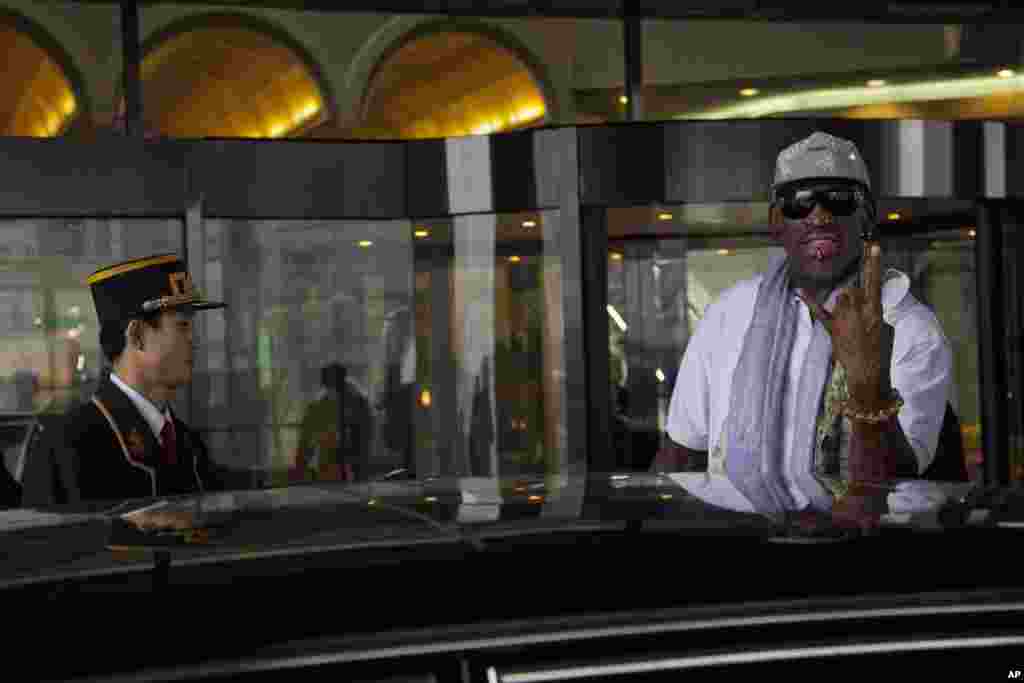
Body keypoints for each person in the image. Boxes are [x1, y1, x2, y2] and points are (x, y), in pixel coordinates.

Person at [653, 132, 953, 531]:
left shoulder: (911, 327)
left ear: (866, 217)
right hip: (737, 544)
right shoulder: (730, 312)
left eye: (839, 199)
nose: (819, 215)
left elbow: (895, 485)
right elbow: (680, 453)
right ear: (777, 221)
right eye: (800, 203)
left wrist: (868, 384)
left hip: (856, 558)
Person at [21, 254, 226, 507]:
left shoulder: (189, 444)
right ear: (137, 336)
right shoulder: (66, 446)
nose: (195, 340)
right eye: (182, 326)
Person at [294, 363, 373, 482]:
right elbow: (306, 442)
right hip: (344, 473)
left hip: (338, 473)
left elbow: (306, 443)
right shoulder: (358, 402)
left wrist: (301, 468)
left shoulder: (320, 406)